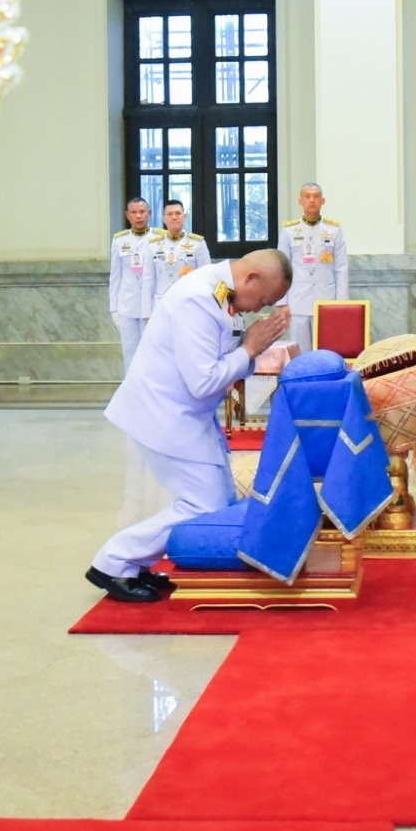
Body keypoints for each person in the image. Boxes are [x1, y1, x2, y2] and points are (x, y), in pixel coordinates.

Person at [86, 249, 293, 602]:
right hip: (163, 414)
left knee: (219, 502)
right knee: (204, 508)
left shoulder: (222, 291)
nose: (258, 310)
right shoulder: (199, 297)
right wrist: (250, 349)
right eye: (263, 300)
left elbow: (221, 363)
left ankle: (133, 564)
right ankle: (114, 561)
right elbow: (204, 380)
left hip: (187, 416)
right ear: (251, 279)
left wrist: (247, 351)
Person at [276, 183, 349, 351]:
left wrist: (341, 304)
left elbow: (341, 268)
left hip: (326, 300)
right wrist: (282, 303)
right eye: (307, 196)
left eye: (316, 196)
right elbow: (282, 268)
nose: (311, 200)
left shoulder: (334, 230)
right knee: (301, 353)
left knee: (326, 352)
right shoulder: (289, 231)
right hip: (298, 301)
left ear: (323, 201)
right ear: (300, 201)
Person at [108, 196, 158, 368]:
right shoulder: (119, 240)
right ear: (127, 215)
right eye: (134, 212)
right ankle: (132, 393)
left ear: (149, 214)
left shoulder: (159, 239)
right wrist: (114, 308)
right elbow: (115, 277)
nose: (138, 216)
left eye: (142, 212)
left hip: (152, 307)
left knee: (152, 354)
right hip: (127, 306)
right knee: (130, 354)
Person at [150, 199, 210, 301]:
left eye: (178, 213)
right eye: (169, 214)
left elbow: (206, 277)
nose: (174, 217)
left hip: (189, 301)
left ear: (184, 216)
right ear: (163, 218)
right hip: (162, 302)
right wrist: (147, 312)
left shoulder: (198, 244)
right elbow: (149, 280)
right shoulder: (154, 245)